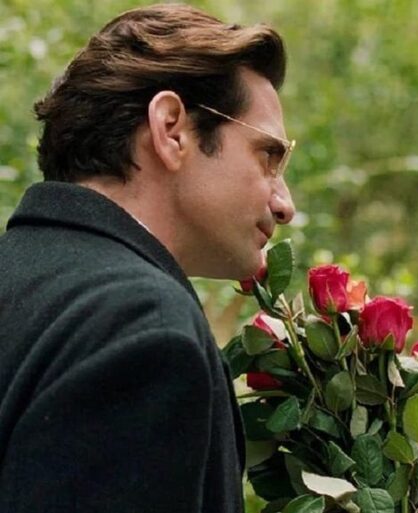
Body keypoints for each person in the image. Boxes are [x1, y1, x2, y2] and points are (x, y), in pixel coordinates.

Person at [0, 4, 295, 511]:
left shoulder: (21, 280)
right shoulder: (146, 329)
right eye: (268, 156)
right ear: (171, 129)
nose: (285, 204)